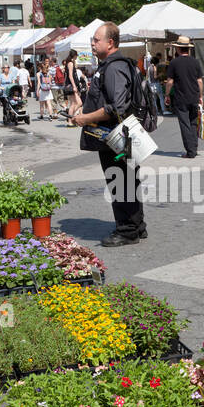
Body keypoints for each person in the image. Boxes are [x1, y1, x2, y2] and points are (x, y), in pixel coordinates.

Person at [69, 22, 145, 246]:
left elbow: (116, 107)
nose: (92, 43)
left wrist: (86, 118)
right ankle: (137, 226)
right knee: (128, 180)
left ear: (110, 43)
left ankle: (127, 230)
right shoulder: (115, 65)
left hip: (116, 136)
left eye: (96, 40)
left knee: (120, 180)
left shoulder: (114, 67)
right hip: (122, 134)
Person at [165, 35, 203, 158]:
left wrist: (167, 95)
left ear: (178, 49)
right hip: (194, 96)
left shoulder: (174, 63)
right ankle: (194, 148)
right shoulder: (195, 61)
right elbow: (200, 81)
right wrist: (200, 96)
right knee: (193, 123)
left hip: (181, 98)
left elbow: (170, 81)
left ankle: (190, 151)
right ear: (188, 49)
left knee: (184, 124)